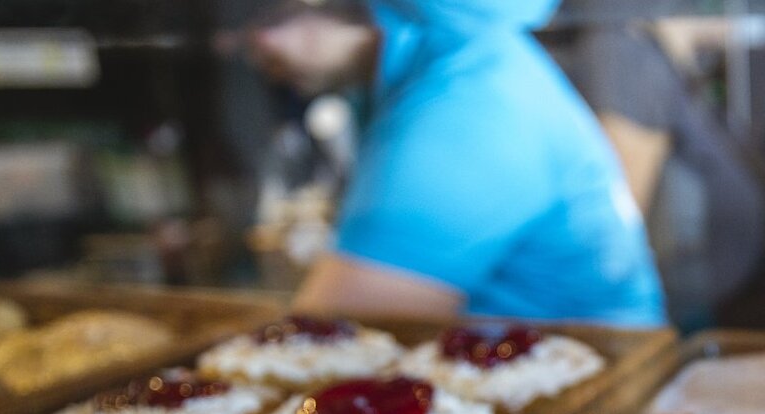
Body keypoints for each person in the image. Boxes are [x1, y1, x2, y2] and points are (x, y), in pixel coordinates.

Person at [247, 0, 665, 326]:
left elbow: (326, 344)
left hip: (586, 398)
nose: (255, 43)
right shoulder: (471, 59)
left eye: (274, 11)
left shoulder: (467, 108)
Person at [552, 20, 765, 328]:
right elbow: (621, 220)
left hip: (701, 298)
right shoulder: (626, 57)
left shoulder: (670, 57)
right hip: (667, 311)